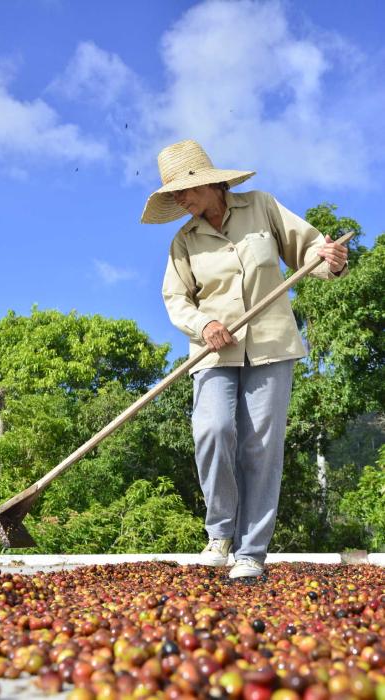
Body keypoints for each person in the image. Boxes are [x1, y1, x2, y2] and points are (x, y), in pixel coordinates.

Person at [141, 140, 348, 578]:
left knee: (261, 447)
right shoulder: (184, 241)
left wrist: (330, 259)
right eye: (173, 195)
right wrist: (204, 326)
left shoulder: (261, 207)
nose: (179, 200)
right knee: (213, 430)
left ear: (208, 184)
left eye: (183, 191)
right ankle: (220, 532)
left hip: (271, 344)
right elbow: (176, 299)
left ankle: (251, 552)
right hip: (213, 350)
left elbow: (309, 249)